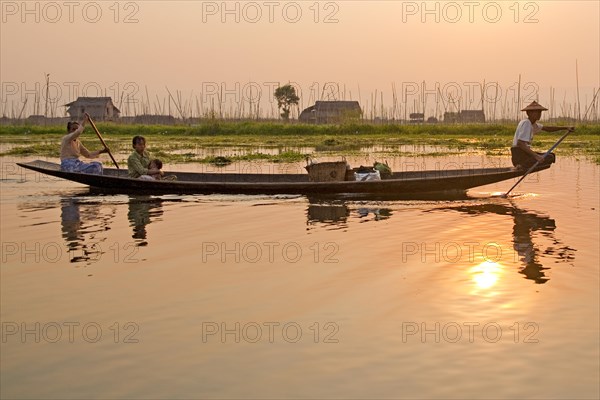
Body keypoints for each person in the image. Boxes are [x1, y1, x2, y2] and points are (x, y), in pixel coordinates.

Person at [511, 101, 574, 169]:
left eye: (540, 112)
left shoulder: (533, 124)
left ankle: (524, 165)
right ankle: (522, 165)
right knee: (549, 157)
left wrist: (565, 128)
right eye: (537, 112)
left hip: (524, 155)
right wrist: (536, 156)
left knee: (551, 155)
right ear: (529, 113)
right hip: (519, 156)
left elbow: (547, 128)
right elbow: (520, 143)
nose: (539, 114)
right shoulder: (526, 123)